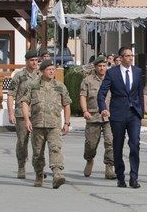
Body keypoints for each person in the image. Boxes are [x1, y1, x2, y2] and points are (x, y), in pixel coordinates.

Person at [97, 46, 144, 189]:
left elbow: (140, 93)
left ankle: (134, 177)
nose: (130, 58)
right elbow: (102, 93)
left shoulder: (137, 71)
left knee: (135, 144)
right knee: (118, 145)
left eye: (132, 55)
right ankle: (120, 176)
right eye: (127, 56)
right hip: (118, 114)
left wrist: (141, 111)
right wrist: (103, 108)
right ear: (121, 58)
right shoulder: (112, 73)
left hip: (134, 114)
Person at [20, 60, 71, 188]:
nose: (52, 71)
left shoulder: (60, 86)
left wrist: (67, 123)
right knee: (37, 153)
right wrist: (27, 120)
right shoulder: (33, 85)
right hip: (37, 124)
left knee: (55, 149)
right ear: (42, 71)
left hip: (54, 125)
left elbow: (66, 104)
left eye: (53, 69)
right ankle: (39, 175)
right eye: (49, 69)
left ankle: (57, 175)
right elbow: (25, 102)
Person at [79, 56, 115, 180]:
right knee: (91, 144)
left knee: (110, 142)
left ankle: (109, 167)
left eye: (104, 66)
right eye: (99, 66)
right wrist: (85, 111)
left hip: (109, 117)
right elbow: (83, 96)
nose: (102, 68)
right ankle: (89, 159)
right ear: (95, 67)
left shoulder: (112, 79)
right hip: (93, 116)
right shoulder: (87, 80)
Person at [8, 50, 40, 179]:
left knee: (38, 142)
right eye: (32, 60)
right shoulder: (19, 76)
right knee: (22, 141)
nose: (34, 63)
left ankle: (38, 168)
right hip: (21, 113)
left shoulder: (41, 75)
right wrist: (11, 113)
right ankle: (21, 166)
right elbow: (11, 95)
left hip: (38, 113)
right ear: (26, 61)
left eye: (36, 60)